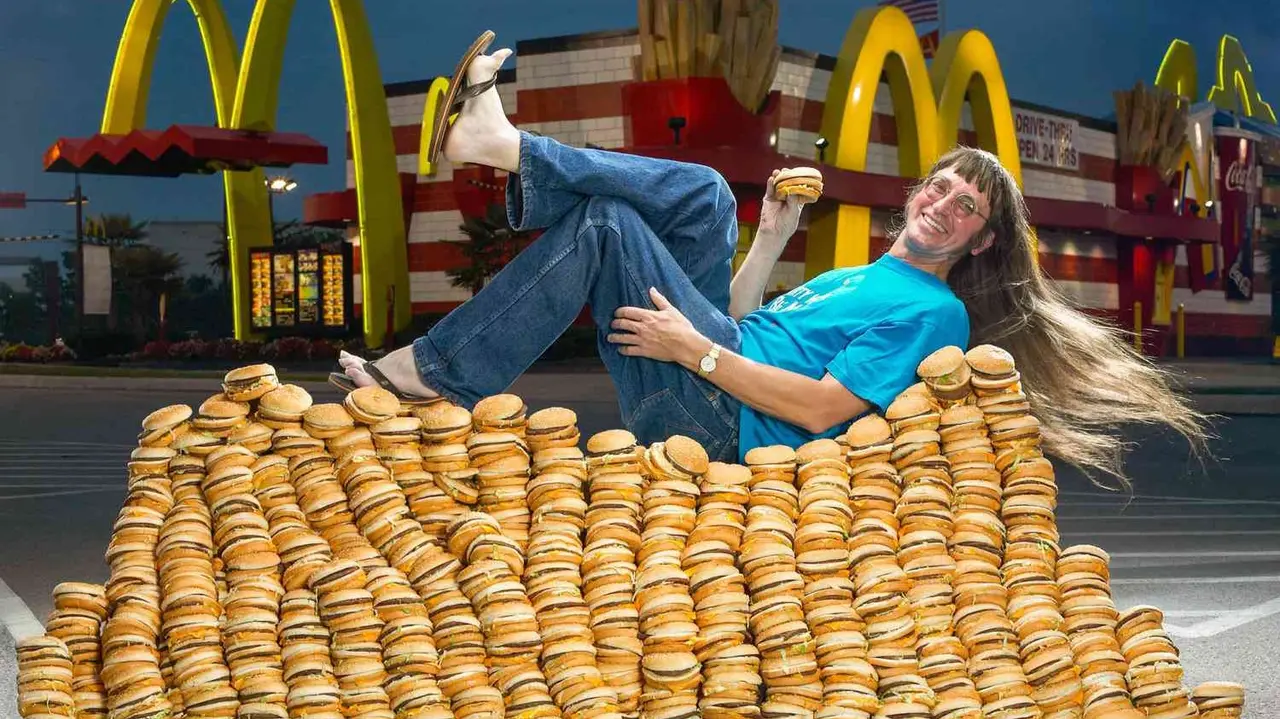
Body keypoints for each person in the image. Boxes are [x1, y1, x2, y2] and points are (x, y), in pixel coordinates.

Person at [336, 32, 1209, 484]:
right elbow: (752, 319)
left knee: (617, 222)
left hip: (718, 423)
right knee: (704, 199)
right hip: (707, 367)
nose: (944, 204)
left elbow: (826, 406)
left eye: (967, 207)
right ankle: (498, 155)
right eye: (940, 186)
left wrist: (695, 351)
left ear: (981, 240)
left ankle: (489, 205)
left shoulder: (933, 313)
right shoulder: (857, 278)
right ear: (918, 194)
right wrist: (773, 241)